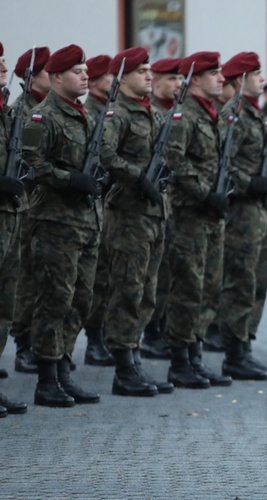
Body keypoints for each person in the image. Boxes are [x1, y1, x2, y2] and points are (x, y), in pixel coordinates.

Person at [23, 44, 103, 407]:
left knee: (81, 300)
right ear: (56, 78)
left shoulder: (82, 114)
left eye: (86, 69)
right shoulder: (41, 118)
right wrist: (69, 179)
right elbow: (31, 163)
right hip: (54, 222)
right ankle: (47, 378)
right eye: (77, 70)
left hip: (86, 222)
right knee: (54, 300)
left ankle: (65, 370)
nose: (85, 75)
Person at [99, 46, 173, 397]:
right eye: (142, 70)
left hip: (154, 215)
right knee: (127, 291)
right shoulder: (117, 114)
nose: (149, 75)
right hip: (127, 215)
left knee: (147, 293)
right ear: (123, 77)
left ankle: (134, 357)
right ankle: (123, 367)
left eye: (149, 70)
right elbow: (104, 152)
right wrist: (136, 176)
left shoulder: (154, 113)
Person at [163, 51, 232, 389]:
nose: (221, 78)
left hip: (211, 216)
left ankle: (195, 355)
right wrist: (204, 194)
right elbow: (173, 161)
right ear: (195, 79)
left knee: (209, 288)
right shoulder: (183, 116)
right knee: (188, 288)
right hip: (190, 214)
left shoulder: (213, 115)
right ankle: (179, 361)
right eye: (214, 73)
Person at [216, 51, 267, 381]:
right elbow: (223, 164)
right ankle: (234, 353)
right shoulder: (234, 115)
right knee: (240, 281)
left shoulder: (254, 113)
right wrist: (249, 183)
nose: (261, 79)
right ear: (239, 80)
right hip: (242, 211)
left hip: (260, 209)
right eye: (255, 74)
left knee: (255, 281)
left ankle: (245, 347)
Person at [9, 45, 51, 375]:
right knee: (23, 279)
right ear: (31, 77)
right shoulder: (22, 110)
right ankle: (23, 343)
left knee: (38, 277)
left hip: (39, 206)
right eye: (48, 71)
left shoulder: (45, 108)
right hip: (22, 206)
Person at [140, 56, 182, 360]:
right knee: (153, 275)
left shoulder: (178, 114)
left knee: (171, 273)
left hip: (175, 205)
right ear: (156, 82)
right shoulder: (153, 113)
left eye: (180, 80)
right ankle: (151, 333)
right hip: (149, 203)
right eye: (171, 79)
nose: (178, 85)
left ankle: (166, 328)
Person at [81, 53, 115, 368]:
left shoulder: (107, 111)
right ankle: (94, 341)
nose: (114, 79)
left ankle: (100, 337)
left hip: (105, 205)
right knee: (97, 279)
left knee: (105, 278)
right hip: (89, 204)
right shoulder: (91, 112)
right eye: (109, 75)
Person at [0, 40, 28, 416]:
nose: (2, 65)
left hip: (10, 217)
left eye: (3, 59)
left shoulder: (7, 112)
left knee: (5, 306)